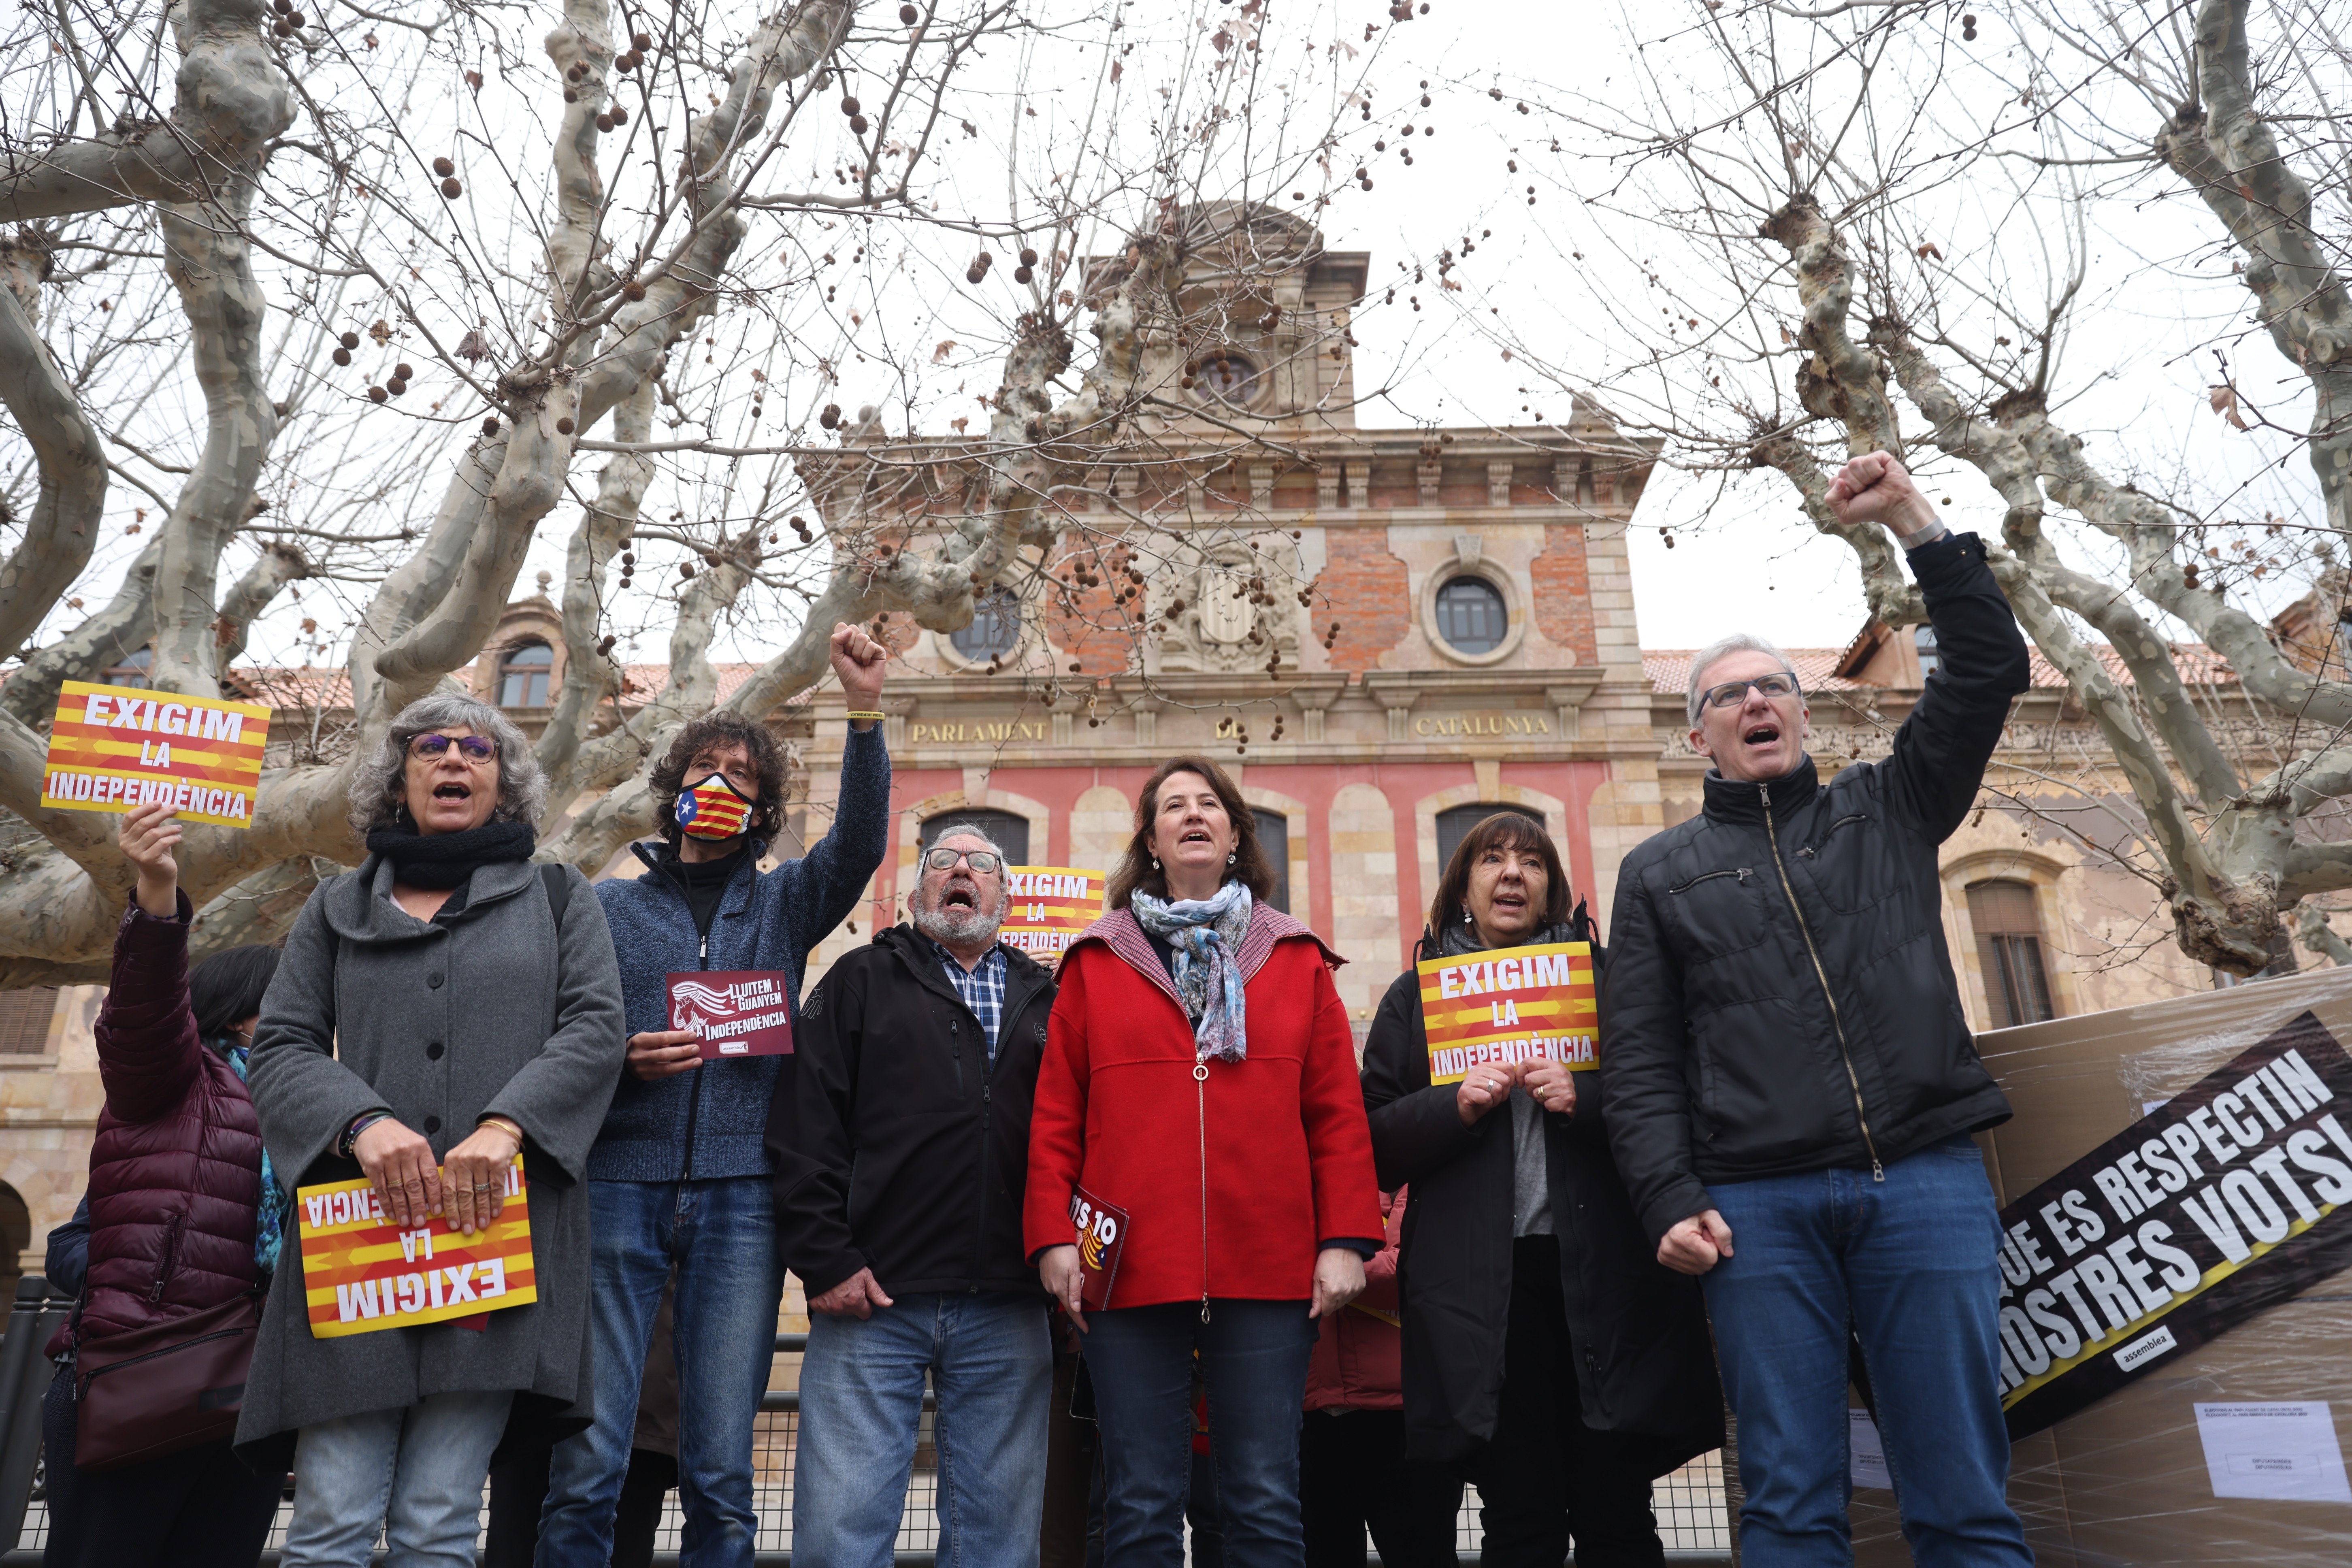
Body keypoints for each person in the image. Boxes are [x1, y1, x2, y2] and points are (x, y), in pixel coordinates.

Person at [1600, 450, 2035, 1567]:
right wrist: (1666, 1198)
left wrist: (1916, 521)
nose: (1756, 700)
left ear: (1803, 715)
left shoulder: (1888, 808)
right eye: (1727, 695)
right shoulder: (1659, 873)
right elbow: (1641, 1060)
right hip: (1758, 1215)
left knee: (1962, 1493)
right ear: (1694, 735)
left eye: (1775, 686)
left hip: (1924, 1186)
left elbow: (1984, 673)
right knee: (1791, 1502)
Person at [238, 694, 628, 1568]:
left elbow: (596, 1029)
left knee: (440, 1519)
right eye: (432, 747)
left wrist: (509, 1125)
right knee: (332, 1517)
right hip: (358, 1247)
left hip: (494, 1238)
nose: (455, 760)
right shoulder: (332, 906)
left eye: (478, 749)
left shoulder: (562, 896)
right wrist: (361, 1123)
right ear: (401, 776)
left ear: (503, 781)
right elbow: (286, 1045)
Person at [535, 622, 893, 1568]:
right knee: (589, 1457)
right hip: (619, 1186)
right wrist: (623, 1060)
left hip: (742, 1198)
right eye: (706, 766)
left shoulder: (785, 903)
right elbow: (562, 1038)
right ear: (673, 788)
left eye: (743, 774)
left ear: (765, 802)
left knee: (721, 1472)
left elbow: (857, 843)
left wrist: (863, 714)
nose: (721, 785)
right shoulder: (606, 907)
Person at [1026, 755, 1384, 1568]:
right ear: (1150, 840)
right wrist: (1053, 1238)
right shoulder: (1094, 960)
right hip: (1129, 1269)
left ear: (1234, 835)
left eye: (1211, 805)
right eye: (1173, 806)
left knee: (1261, 1499)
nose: (1194, 815)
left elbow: (1337, 1116)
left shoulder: (1296, 958)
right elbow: (1055, 1118)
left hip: (1269, 1262)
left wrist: (1345, 1240)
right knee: (1141, 1502)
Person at [1361, 813, 1722, 1568]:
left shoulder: (1606, 978)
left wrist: (1586, 1099)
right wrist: (1452, 1105)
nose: (1512, 873)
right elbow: (1373, 1143)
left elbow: (1673, 1099)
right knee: (1518, 1517)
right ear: (1463, 886)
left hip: (1606, 1282)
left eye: (1531, 860)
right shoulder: (1415, 997)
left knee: (1616, 1511)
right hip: (1480, 1298)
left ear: (1552, 887)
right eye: (1490, 859)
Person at [774, 822, 1059, 1568]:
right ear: (915, 892)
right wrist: (825, 1260)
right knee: (840, 1538)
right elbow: (804, 1126)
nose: (960, 871)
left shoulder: (1047, 996)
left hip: (1009, 1305)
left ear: (1005, 894)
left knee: (998, 1545)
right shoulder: (858, 979)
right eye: (942, 861)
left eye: (981, 864)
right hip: (872, 1299)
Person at [37, 803, 286, 1568]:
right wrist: (157, 893)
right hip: (145, 1374)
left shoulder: (313, 1106)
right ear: (246, 1014)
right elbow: (143, 1015)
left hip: (250, 1398)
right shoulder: (176, 1082)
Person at [1296, 1187, 1464, 1568]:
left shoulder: (1412, 1175)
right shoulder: (1293, 1178)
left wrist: (1309, 1264)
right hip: (1309, 1414)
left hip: (1402, 1417)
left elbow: (1414, 1266)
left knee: (1423, 1553)